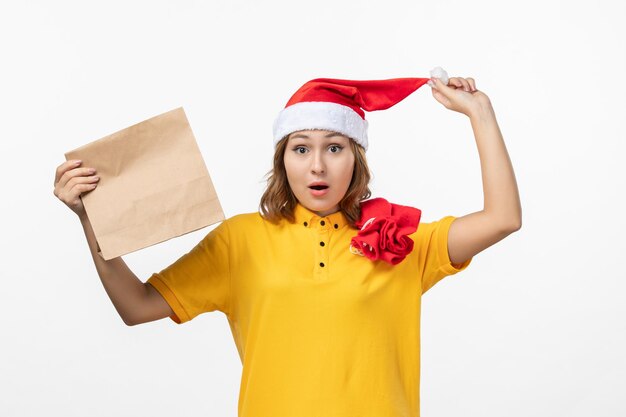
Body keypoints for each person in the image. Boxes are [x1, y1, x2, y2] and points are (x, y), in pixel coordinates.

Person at [53, 70, 522, 417]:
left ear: (355, 160)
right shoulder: (241, 241)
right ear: (284, 161)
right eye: (301, 148)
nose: (317, 166)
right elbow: (136, 307)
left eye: (334, 148)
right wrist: (91, 222)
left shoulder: (401, 238)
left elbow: (503, 219)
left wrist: (480, 114)